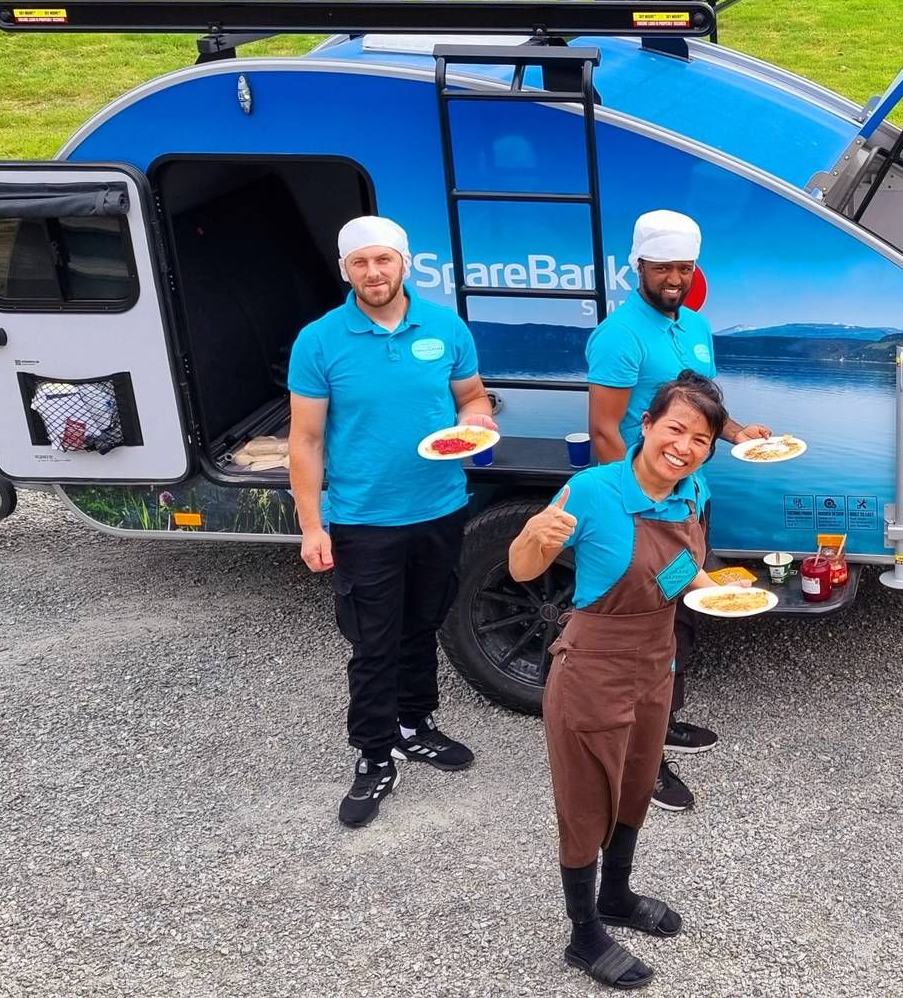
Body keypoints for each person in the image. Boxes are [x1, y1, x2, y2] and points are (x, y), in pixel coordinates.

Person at [510, 372, 736, 990]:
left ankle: (616, 896)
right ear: (647, 426)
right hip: (591, 667)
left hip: (655, 663)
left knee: (636, 785)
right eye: (675, 429)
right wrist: (532, 538)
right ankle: (583, 934)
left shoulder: (693, 493)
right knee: (586, 804)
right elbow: (523, 567)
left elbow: (680, 569)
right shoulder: (591, 490)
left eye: (701, 438)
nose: (685, 446)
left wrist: (717, 590)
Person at [288, 215, 497, 828]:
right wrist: (311, 525)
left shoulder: (444, 326)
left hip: (440, 505)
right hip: (363, 518)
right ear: (344, 270)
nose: (373, 274)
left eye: (384, 261)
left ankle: (414, 724)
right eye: (360, 263)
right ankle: (374, 756)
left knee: (423, 623)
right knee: (372, 642)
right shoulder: (320, 341)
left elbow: (472, 397)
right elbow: (304, 440)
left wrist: (479, 420)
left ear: (406, 263)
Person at [583, 210, 773, 812]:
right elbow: (604, 429)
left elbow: (702, 415)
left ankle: (664, 723)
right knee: (643, 630)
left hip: (694, 499)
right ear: (638, 267)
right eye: (663, 266)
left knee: (680, 617)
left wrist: (739, 432)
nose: (674, 277)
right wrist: (638, 508)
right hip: (648, 509)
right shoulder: (619, 336)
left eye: (684, 267)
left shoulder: (695, 325)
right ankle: (645, 761)